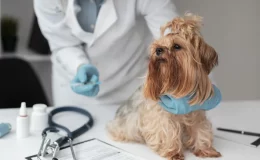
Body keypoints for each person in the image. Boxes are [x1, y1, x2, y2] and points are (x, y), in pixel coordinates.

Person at [34, 0, 221, 113]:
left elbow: (178, 39)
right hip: (75, 95)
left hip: (131, 90)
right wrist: (79, 66)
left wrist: (201, 91)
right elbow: (63, 43)